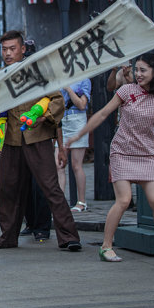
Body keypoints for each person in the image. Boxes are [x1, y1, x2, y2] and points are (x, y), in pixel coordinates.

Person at [63, 54, 154, 262]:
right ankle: (106, 247)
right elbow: (103, 113)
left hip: (146, 154)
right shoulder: (126, 90)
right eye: (136, 70)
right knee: (123, 200)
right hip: (122, 152)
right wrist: (78, 135)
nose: (138, 74)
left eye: (143, 70)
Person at [0, 31, 82, 252]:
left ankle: (68, 237)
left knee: (50, 188)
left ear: (22, 49)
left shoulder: (38, 73)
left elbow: (57, 101)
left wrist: (41, 118)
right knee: (7, 189)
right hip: (11, 139)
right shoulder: (0, 75)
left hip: (37, 137)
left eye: (12, 48)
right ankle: (7, 237)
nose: (8, 53)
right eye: (4, 49)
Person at [59, 78, 91, 212]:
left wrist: (68, 88)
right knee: (59, 164)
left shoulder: (84, 80)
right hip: (61, 121)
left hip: (77, 120)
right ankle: (59, 203)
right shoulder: (57, 78)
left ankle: (81, 202)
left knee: (76, 165)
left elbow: (82, 105)